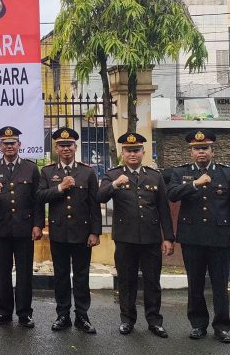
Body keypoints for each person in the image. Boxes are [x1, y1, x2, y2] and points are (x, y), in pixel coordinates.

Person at [167, 129, 230, 344]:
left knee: (220, 284)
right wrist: (194, 184)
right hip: (192, 238)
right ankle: (198, 325)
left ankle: (221, 327)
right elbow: (171, 194)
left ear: (212, 151)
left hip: (219, 239)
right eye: (196, 149)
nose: (201, 152)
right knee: (194, 284)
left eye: (205, 148)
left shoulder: (226, 173)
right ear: (190, 152)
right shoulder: (180, 173)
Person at [97, 132, 175, 338]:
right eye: (128, 150)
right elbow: (99, 197)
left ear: (143, 152)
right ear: (122, 152)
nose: (132, 154)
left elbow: (163, 209)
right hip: (125, 238)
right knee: (126, 281)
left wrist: (168, 237)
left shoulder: (154, 175)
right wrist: (114, 184)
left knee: (152, 281)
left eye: (136, 150)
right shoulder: (113, 174)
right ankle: (127, 320)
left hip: (150, 238)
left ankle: (154, 321)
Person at [37, 127, 101, 334]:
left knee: (82, 276)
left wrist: (95, 232)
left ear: (75, 147)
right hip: (59, 233)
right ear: (56, 148)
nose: (66, 149)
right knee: (61, 276)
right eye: (62, 146)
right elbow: (39, 197)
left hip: (82, 234)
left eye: (70, 145)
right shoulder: (47, 172)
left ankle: (82, 316)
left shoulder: (87, 172)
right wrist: (60, 188)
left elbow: (94, 204)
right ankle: (62, 315)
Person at [0, 126, 42, 328]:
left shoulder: (31, 168)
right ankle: (4, 312)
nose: (9, 147)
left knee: (25, 273)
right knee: (2, 273)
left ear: (19, 145)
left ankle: (24, 313)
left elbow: (37, 200)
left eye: (12, 143)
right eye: (5, 144)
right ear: (0, 146)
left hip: (25, 229)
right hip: (1, 229)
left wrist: (37, 225)